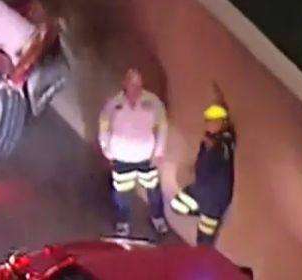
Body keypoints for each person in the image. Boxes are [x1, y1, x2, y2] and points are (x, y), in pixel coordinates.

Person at [98, 68, 170, 237]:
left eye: (138, 85)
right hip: (122, 157)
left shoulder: (152, 102)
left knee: (153, 190)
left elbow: (162, 125)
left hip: (147, 158)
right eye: (132, 84)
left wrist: (158, 151)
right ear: (125, 84)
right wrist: (106, 148)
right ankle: (122, 223)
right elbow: (104, 126)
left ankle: (158, 218)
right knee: (122, 194)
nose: (135, 89)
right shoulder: (114, 104)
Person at [169, 103, 237, 247]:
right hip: (200, 191)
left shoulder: (223, 145)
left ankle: (203, 260)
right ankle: (200, 212)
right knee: (176, 204)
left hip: (214, 202)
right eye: (207, 120)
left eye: (212, 121)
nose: (208, 124)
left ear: (221, 123)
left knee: (204, 239)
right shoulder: (209, 141)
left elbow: (217, 172)